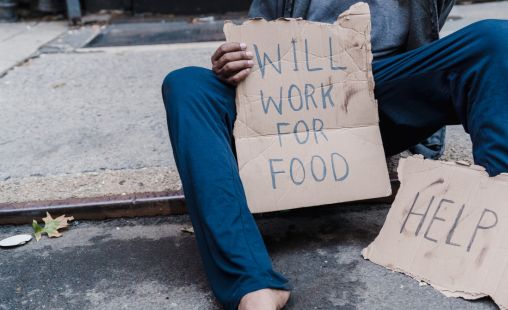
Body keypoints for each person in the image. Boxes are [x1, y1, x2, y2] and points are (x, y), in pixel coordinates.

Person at [161, 0, 508, 308]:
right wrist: (232, 61)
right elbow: (253, 43)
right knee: (186, 85)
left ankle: (499, 226)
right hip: (290, 106)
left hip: (384, 95)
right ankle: (251, 285)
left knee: (495, 39)